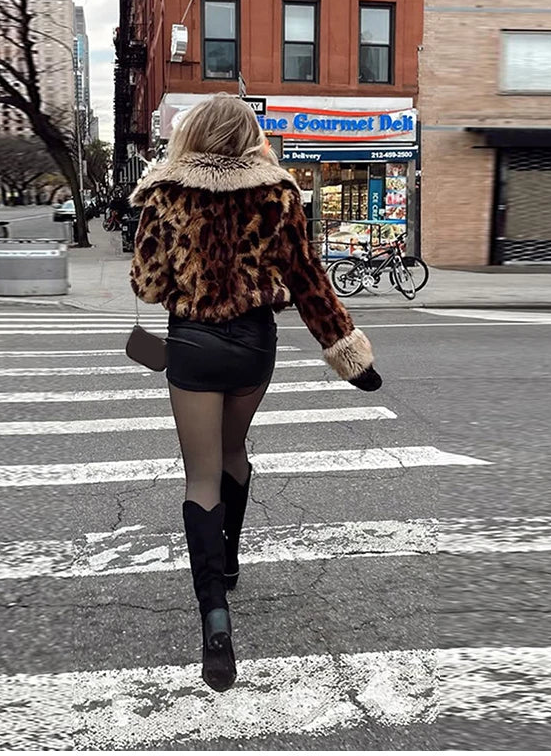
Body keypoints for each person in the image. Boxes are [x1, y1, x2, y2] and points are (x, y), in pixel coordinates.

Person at [129, 93, 382, 693]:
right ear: (250, 137)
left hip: (192, 344)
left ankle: (215, 618)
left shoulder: (164, 194)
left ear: (192, 134)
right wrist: (350, 357)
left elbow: (146, 285)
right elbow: (309, 280)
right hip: (252, 344)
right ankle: (231, 556)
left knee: (200, 477)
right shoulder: (279, 195)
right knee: (234, 451)